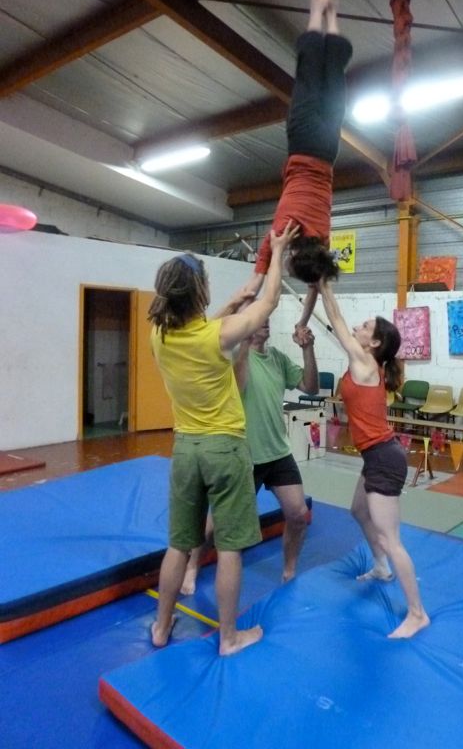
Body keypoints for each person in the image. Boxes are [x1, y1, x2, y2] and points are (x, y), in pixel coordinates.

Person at [147, 222, 298, 656]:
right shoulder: (218, 336)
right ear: (199, 294)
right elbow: (269, 301)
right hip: (224, 449)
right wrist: (279, 251)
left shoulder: (160, 335)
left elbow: (209, 328)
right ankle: (229, 638)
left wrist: (235, 298)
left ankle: (161, 627)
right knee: (230, 547)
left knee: (180, 544)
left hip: (185, 450)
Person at [181, 289, 320, 594]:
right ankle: (191, 568)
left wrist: (308, 349)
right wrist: (244, 342)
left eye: (268, 318)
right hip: (244, 454)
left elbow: (311, 387)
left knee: (299, 514)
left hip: (278, 452)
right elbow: (239, 384)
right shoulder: (234, 357)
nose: (265, 321)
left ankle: (289, 570)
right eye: (259, 318)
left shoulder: (278, 359)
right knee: (216, 524)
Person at [317, 279, 430, 639]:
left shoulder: (364, 362)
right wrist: (320, 289)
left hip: (384, 458)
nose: (359, 326)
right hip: (375, 456)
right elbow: (337, 322)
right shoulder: (366, 362)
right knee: (358, 510)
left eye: (366, 326)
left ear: (375, 343)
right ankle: (381, 567)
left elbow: (335, 318)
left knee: (391, 537)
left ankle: (417, 614)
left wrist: (324, 285)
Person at [244, 0, 352, 295]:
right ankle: (317, 10)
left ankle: (332, 16)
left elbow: (320, 285)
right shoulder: (284, 231)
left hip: (328, 151)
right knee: (308, 77)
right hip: (303, 145)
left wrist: (312, 302)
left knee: (333, 87)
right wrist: (256, 281)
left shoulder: (323, 238)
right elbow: (263, 262)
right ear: (292, 257)